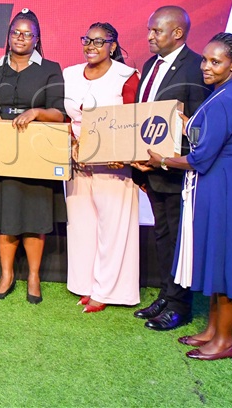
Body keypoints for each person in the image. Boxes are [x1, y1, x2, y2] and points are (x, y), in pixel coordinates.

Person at [147, 33, 232, 360]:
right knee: (218, 259)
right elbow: (207, 135)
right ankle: (213, 331)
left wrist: (161, 159)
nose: (206, 66)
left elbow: (201, 157)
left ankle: (225, 342)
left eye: (215, 61)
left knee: (229, 264)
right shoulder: (223, 93)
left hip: (227, 188)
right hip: (217, 185)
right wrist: (185, 123)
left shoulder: (229, 98)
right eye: (204, 59)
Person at [131, 5, 211, 331]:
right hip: (150, 168)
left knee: (180, 239)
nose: (149, 36)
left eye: (156, 31)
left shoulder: (195, 68)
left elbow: (198, 125)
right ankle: (166, 294)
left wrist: (165, 160)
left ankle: (181, 306)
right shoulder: (151, 64)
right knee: (163, 235)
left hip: (176, 171)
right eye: (150, 30)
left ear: (177, 33)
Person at [0, 8, 66, 303]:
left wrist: (36, 112)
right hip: (1, 153)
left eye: (28, 34)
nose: (21, 38)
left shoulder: (51, 68)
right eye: (16, 32)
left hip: (36, 153)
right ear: (8, 35)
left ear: (37, 39)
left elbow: (59, 113)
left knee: (35, 217)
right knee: (5, 217)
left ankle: (33, 276)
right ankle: (6, 275)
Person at [63, 23, 140, 313]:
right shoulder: (69, 74)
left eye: (99, 41)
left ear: (113, 45)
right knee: (82, 226)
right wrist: (70, 145)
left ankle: (108, 290)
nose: (91, 46)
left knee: (114, 226)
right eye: (87, 40)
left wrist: (124, 153)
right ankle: (85, 284)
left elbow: (134, 118)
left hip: (113, 162)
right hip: (76, 160)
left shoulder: (127, 76)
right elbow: (62, 115)